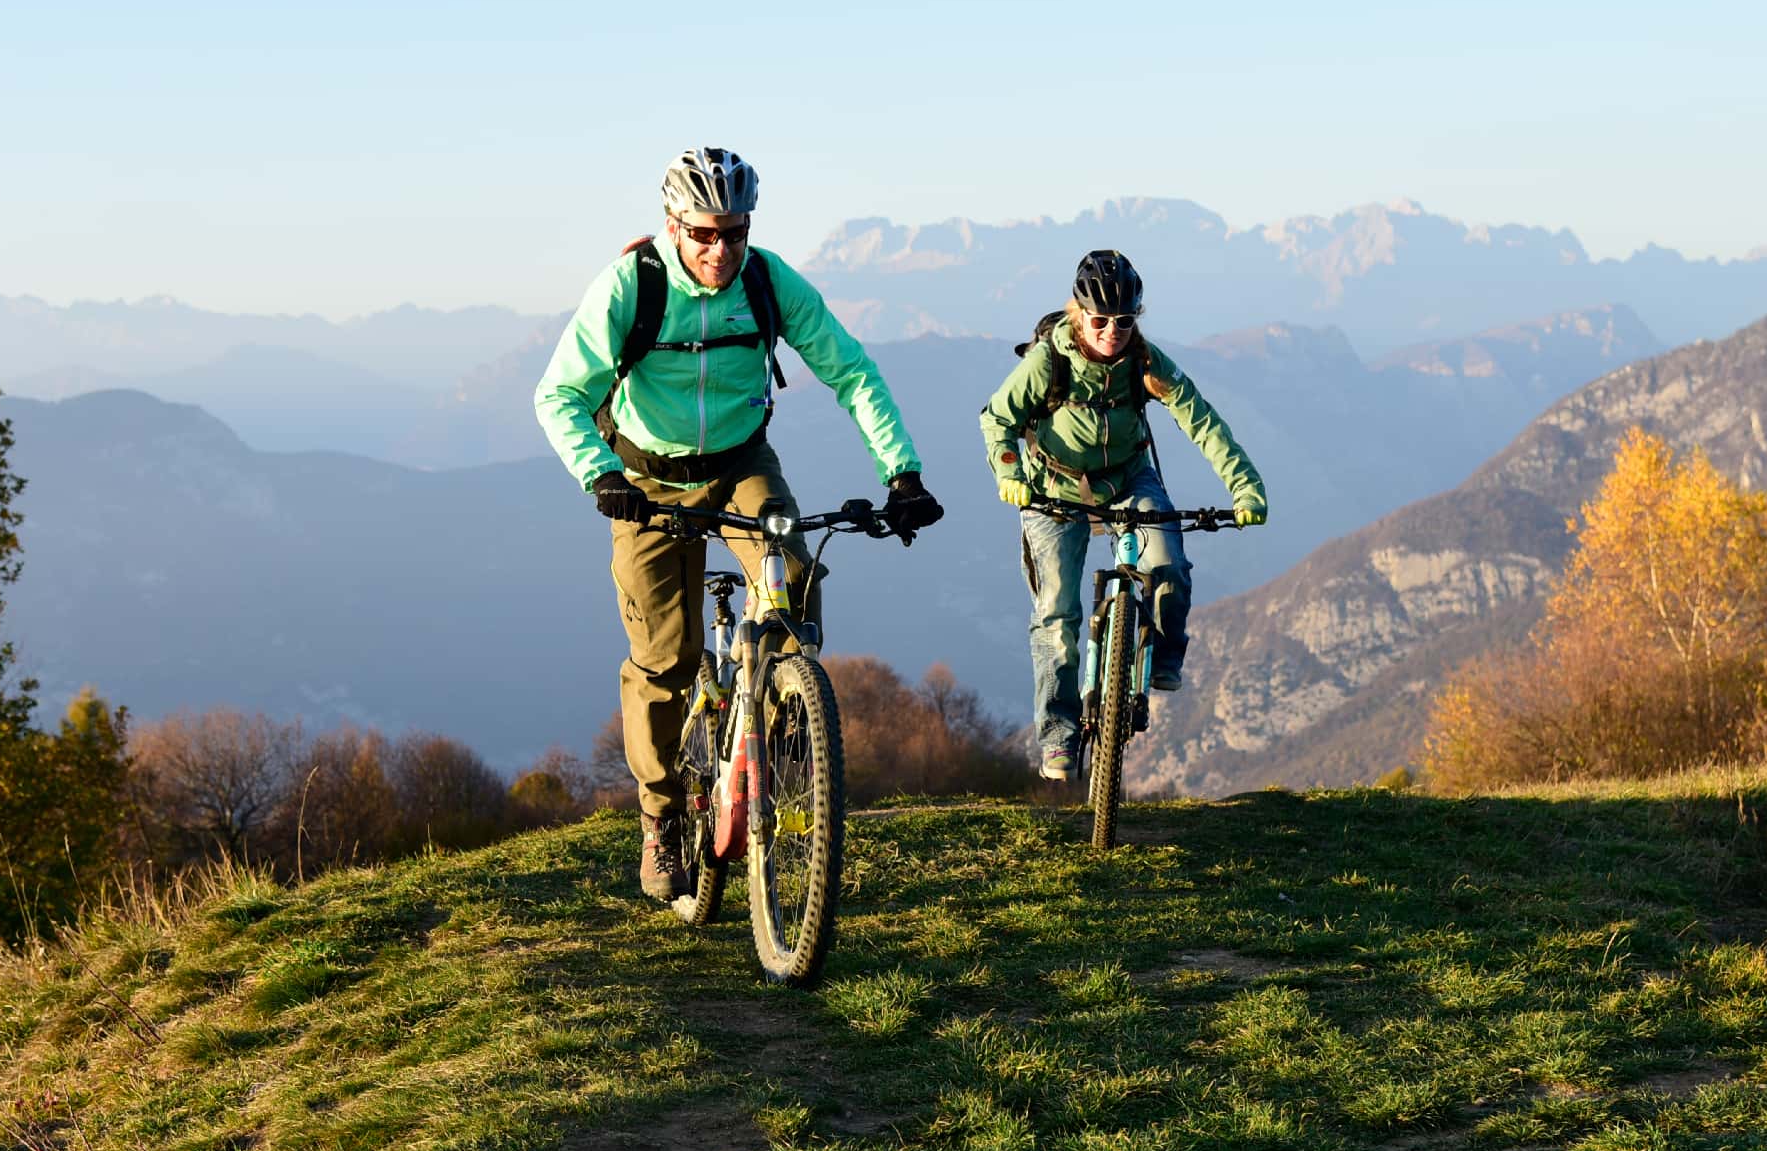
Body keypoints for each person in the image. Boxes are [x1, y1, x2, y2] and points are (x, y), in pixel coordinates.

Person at [535, 147, 943, 900]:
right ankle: (661, 819)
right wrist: (601, 474)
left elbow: (851, 371)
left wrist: (902, 472)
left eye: (735, 232)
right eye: (703, 234)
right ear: (673, 226)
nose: (720, 249)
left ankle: (783, 722)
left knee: (793, 576)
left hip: (739, 462)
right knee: (664, 658)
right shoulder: (633, 285)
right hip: (646, 479)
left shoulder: (768, 281)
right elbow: (558, 395)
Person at [979, 249, 1267, 780]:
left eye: (1125, 320)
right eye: (1100, 321)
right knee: (1057, 617)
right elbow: (997, 419)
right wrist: (1009, 473)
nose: (1112, 331)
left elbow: (1202, 421)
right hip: (1051, 488)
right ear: (1078, 315)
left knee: (1168, 563)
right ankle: (1059, 735)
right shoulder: (1048, 361)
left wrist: (1245, 486)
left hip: (1128, 479)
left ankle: (1164, 656)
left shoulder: (1146, 361)